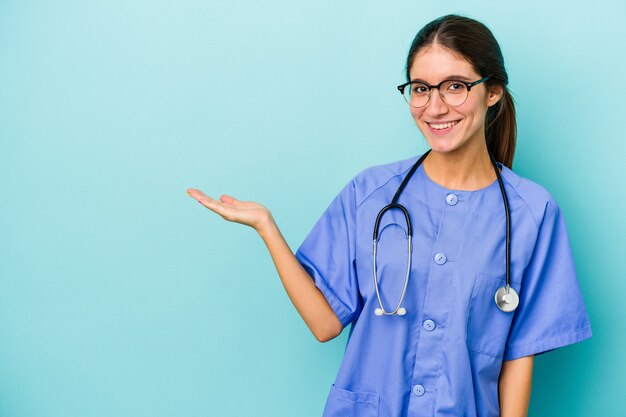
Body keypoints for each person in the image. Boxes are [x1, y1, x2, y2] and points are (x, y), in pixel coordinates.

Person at [187, 14, 592, 417]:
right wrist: (267, 228)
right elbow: (325, 324)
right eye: (420, 89)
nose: (435, 107)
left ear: (493, 92)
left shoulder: (532, 213)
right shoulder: (370, 194)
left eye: (455, 86)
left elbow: (519, 356)